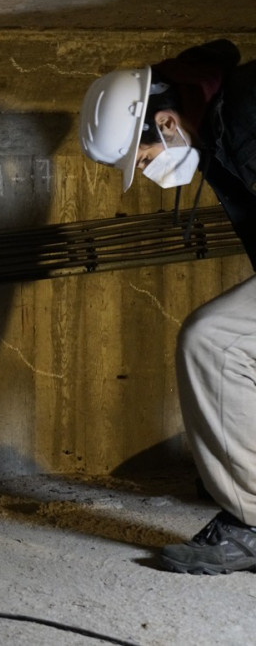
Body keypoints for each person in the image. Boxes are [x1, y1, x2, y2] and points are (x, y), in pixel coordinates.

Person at [80, 39, 256, 574]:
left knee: (214, 341)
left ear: (166, 122)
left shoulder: (246, 119)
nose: (147, 172)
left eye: (144, 158)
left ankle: (252, 524)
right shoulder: (220, 124)